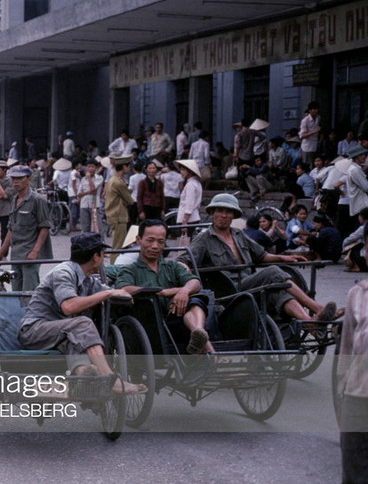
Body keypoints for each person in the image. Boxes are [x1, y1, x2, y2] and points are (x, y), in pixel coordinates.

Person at [17, 231, 146, 395]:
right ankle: (110, 379)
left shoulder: (89, 280)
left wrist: (121, 293)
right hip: (35, 330)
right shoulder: (63, 272)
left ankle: (83, 375)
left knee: (77, 337)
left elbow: (111, 292)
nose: (104, 258)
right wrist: (107, 294)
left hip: (63, 333)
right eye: (103, 254)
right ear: (95, 256)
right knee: (82, 323)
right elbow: (69, 307)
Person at [189, 193, 339, 324]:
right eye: (220, 211)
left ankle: (308, 322)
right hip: (228, 291)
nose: (224, 215)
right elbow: (184, 260)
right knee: (273, 271)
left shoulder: (239, 234)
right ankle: (318, 308)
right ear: (212, 213)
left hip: (248, 284)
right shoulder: (203, 239)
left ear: (233, 215)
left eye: (228, 212)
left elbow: (261, 255)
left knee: (278, 291)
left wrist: (284, 258)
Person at [115, 220, 214, 355]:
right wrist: (166, 292)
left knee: (197, 298)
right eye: (150, 240)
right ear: (138, 240)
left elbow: (194, 282)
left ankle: (199, 333)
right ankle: (210, 351)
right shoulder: (129, 270)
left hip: (177, 322)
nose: (155, 246)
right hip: (150, 325)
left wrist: (184, 291)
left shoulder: (173, 266)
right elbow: (124, 289)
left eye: (160, 242)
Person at [328, 279, 368, 484]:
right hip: (358, 390)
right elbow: (346, 347)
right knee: (354, 462)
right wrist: (341, 390)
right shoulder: (359, 293)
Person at [0, 164, 52, 290]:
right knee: (16, 291)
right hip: (16, 253)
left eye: (20, 178)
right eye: (13, 178)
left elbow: (45, 227)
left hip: (30, 253)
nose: (16, 182)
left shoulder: (37, 200)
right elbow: (11, 229)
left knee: (29, 291)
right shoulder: (14, 199)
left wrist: (35, 251)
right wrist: (1, 252)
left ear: (29, 179)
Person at [104, 155, 135, 251]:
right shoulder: (118, 182)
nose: (129, 168)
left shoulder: (113, 180)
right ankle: (114, 265)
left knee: (118, 244)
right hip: (118, 215)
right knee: (118, 246)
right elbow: (130, 200)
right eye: (128, 166)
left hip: (115, 215)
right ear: (124, 167)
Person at [299, 102, 321, 167]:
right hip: (307, 147)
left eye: (316, 109)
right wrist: (314, 132)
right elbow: (302, 135)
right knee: (306, 165)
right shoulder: (305, 120)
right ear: (310, 110)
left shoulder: (318, 118)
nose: (316, 111)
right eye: (314, 109)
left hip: (315, 145)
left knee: (314, 164)